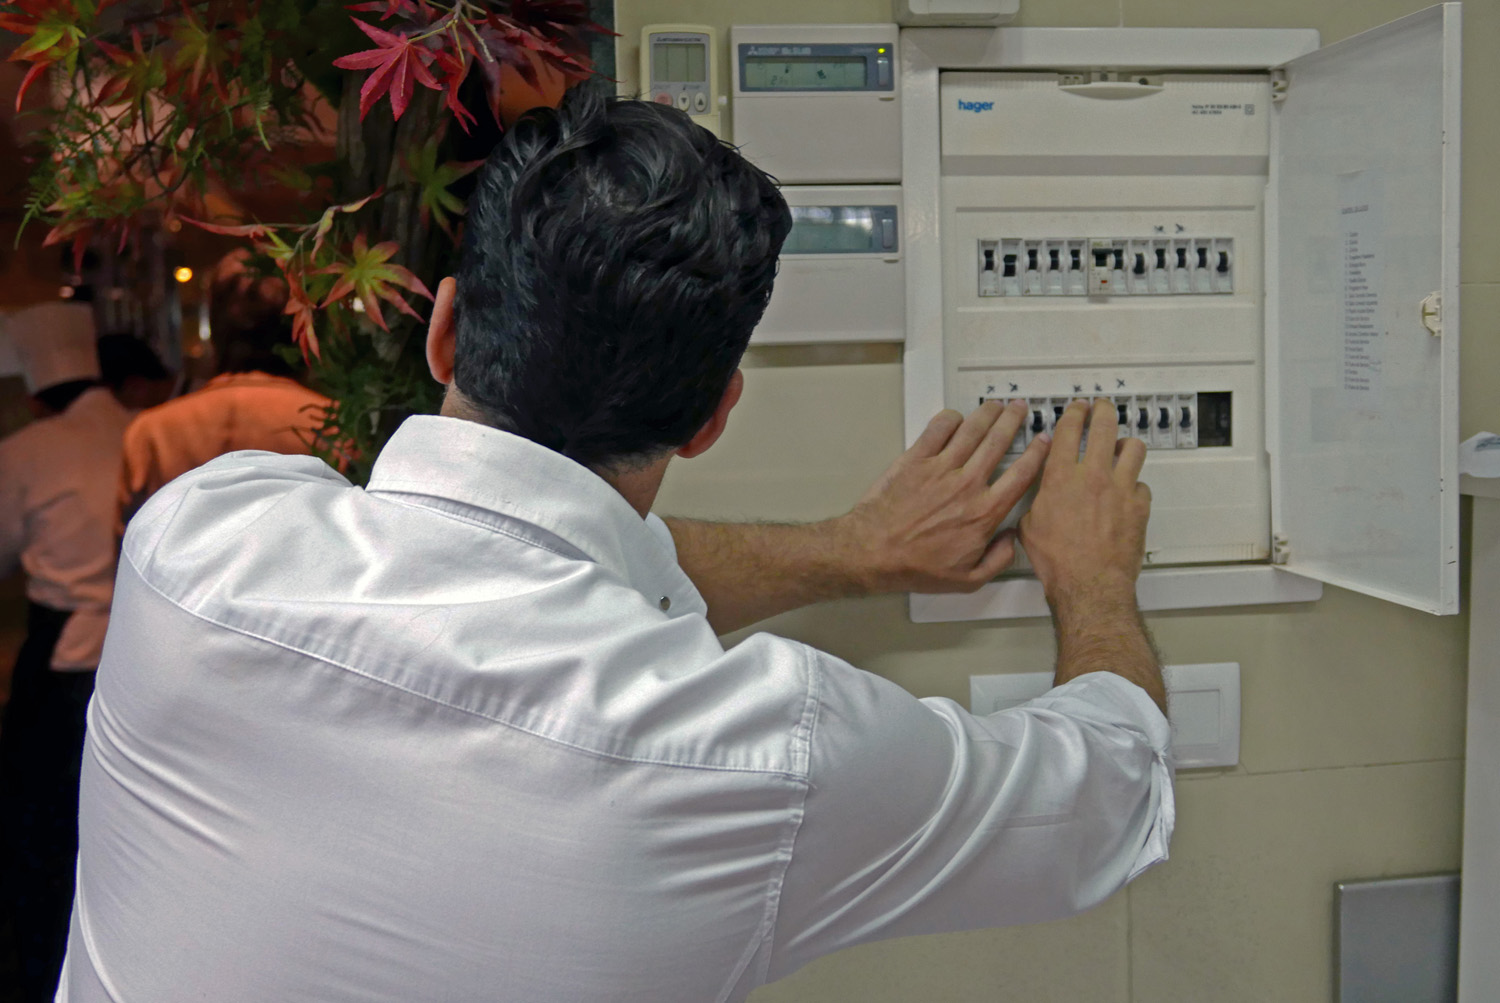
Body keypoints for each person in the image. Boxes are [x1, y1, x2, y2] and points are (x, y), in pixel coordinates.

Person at [59, 89, 1171, 1002]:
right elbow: (1109, 797)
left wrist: (851, 551)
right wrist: (1092, 579)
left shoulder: (198, 544)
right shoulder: (765, 754)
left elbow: (494, 555)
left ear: (444, 328)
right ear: (713, 416)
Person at [0, 302, 136, 1003]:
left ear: (34, 389)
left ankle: (41, 971)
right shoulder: (147, 427)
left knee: (44, 825)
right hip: (141, 654)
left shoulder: (27, 449)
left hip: (61, 661)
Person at [115, 250, 330, 528]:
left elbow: (130, 543)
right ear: (302, 325)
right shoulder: (330, 424)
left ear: (214, 325)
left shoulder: (152, 432)